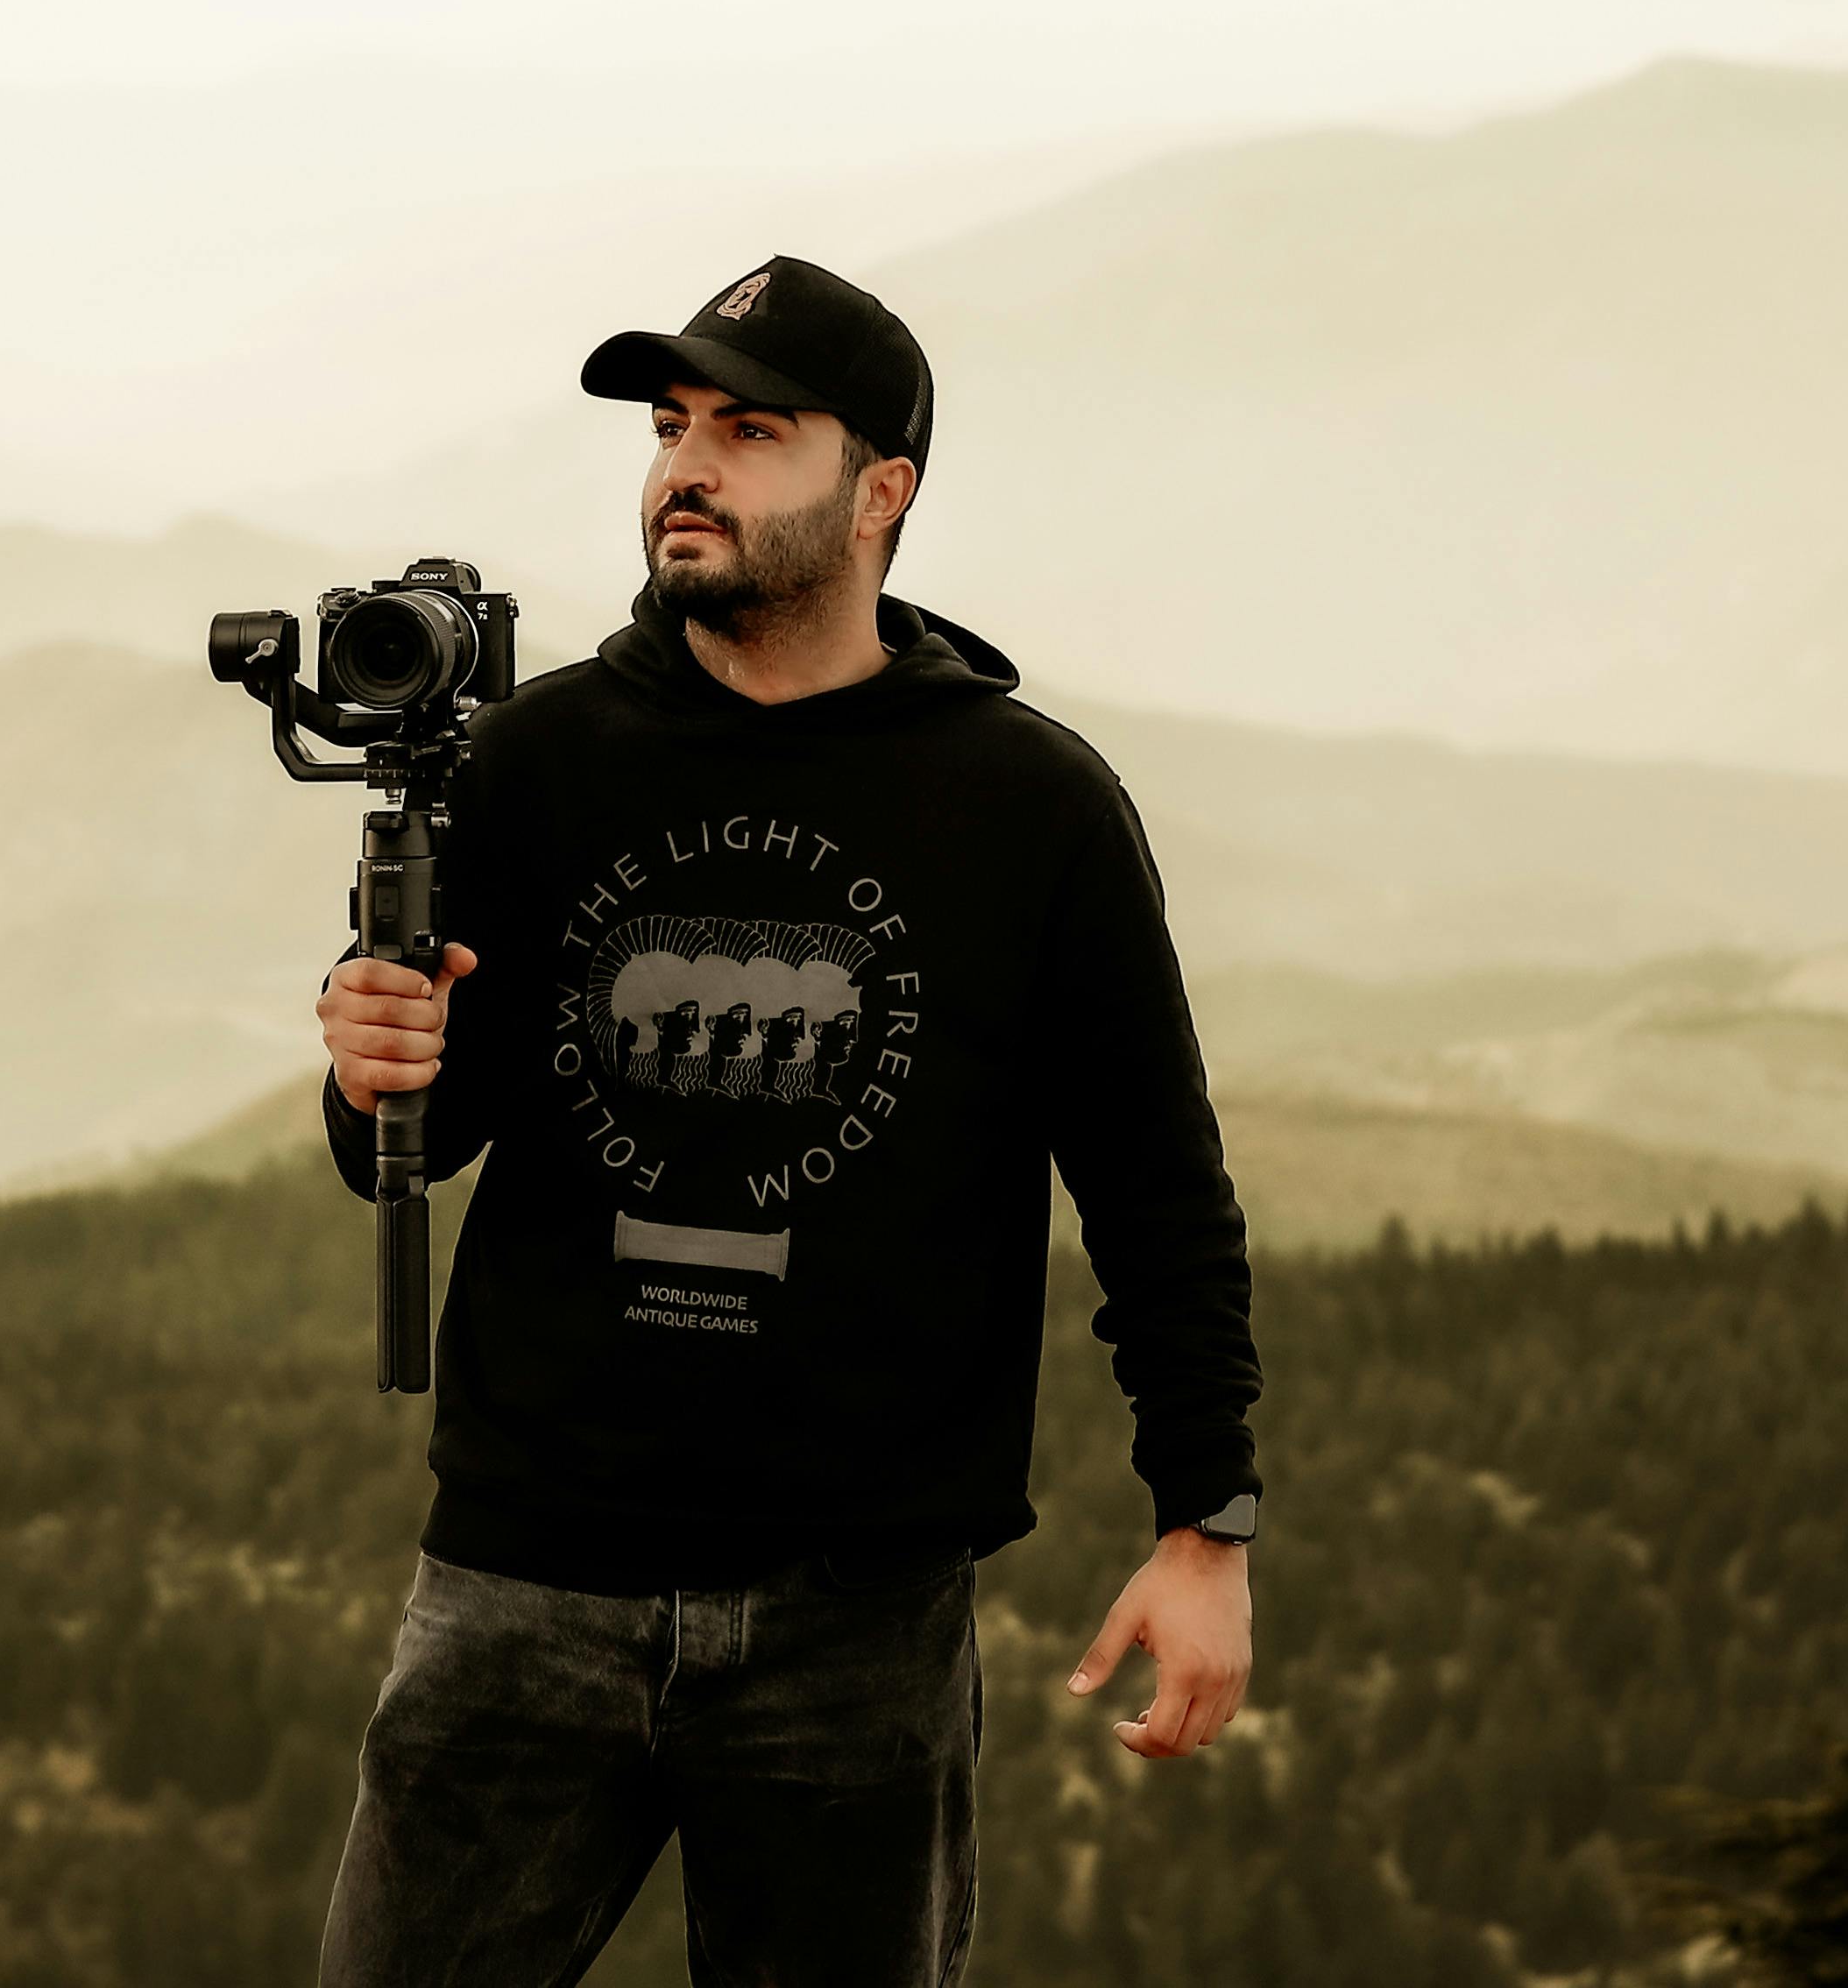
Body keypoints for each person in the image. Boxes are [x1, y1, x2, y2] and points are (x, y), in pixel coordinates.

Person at [312, 255, 1263, 1988]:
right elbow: (427, 1135)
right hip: (525, 1583)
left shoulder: (1028, 804)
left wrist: (1208, 1526)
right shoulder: (531, 763)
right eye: (674, 426)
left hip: (854, 1624)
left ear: (880, 491)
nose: (689, 465)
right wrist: (376, 1064)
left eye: (752, 429)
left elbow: (1157, 1188)